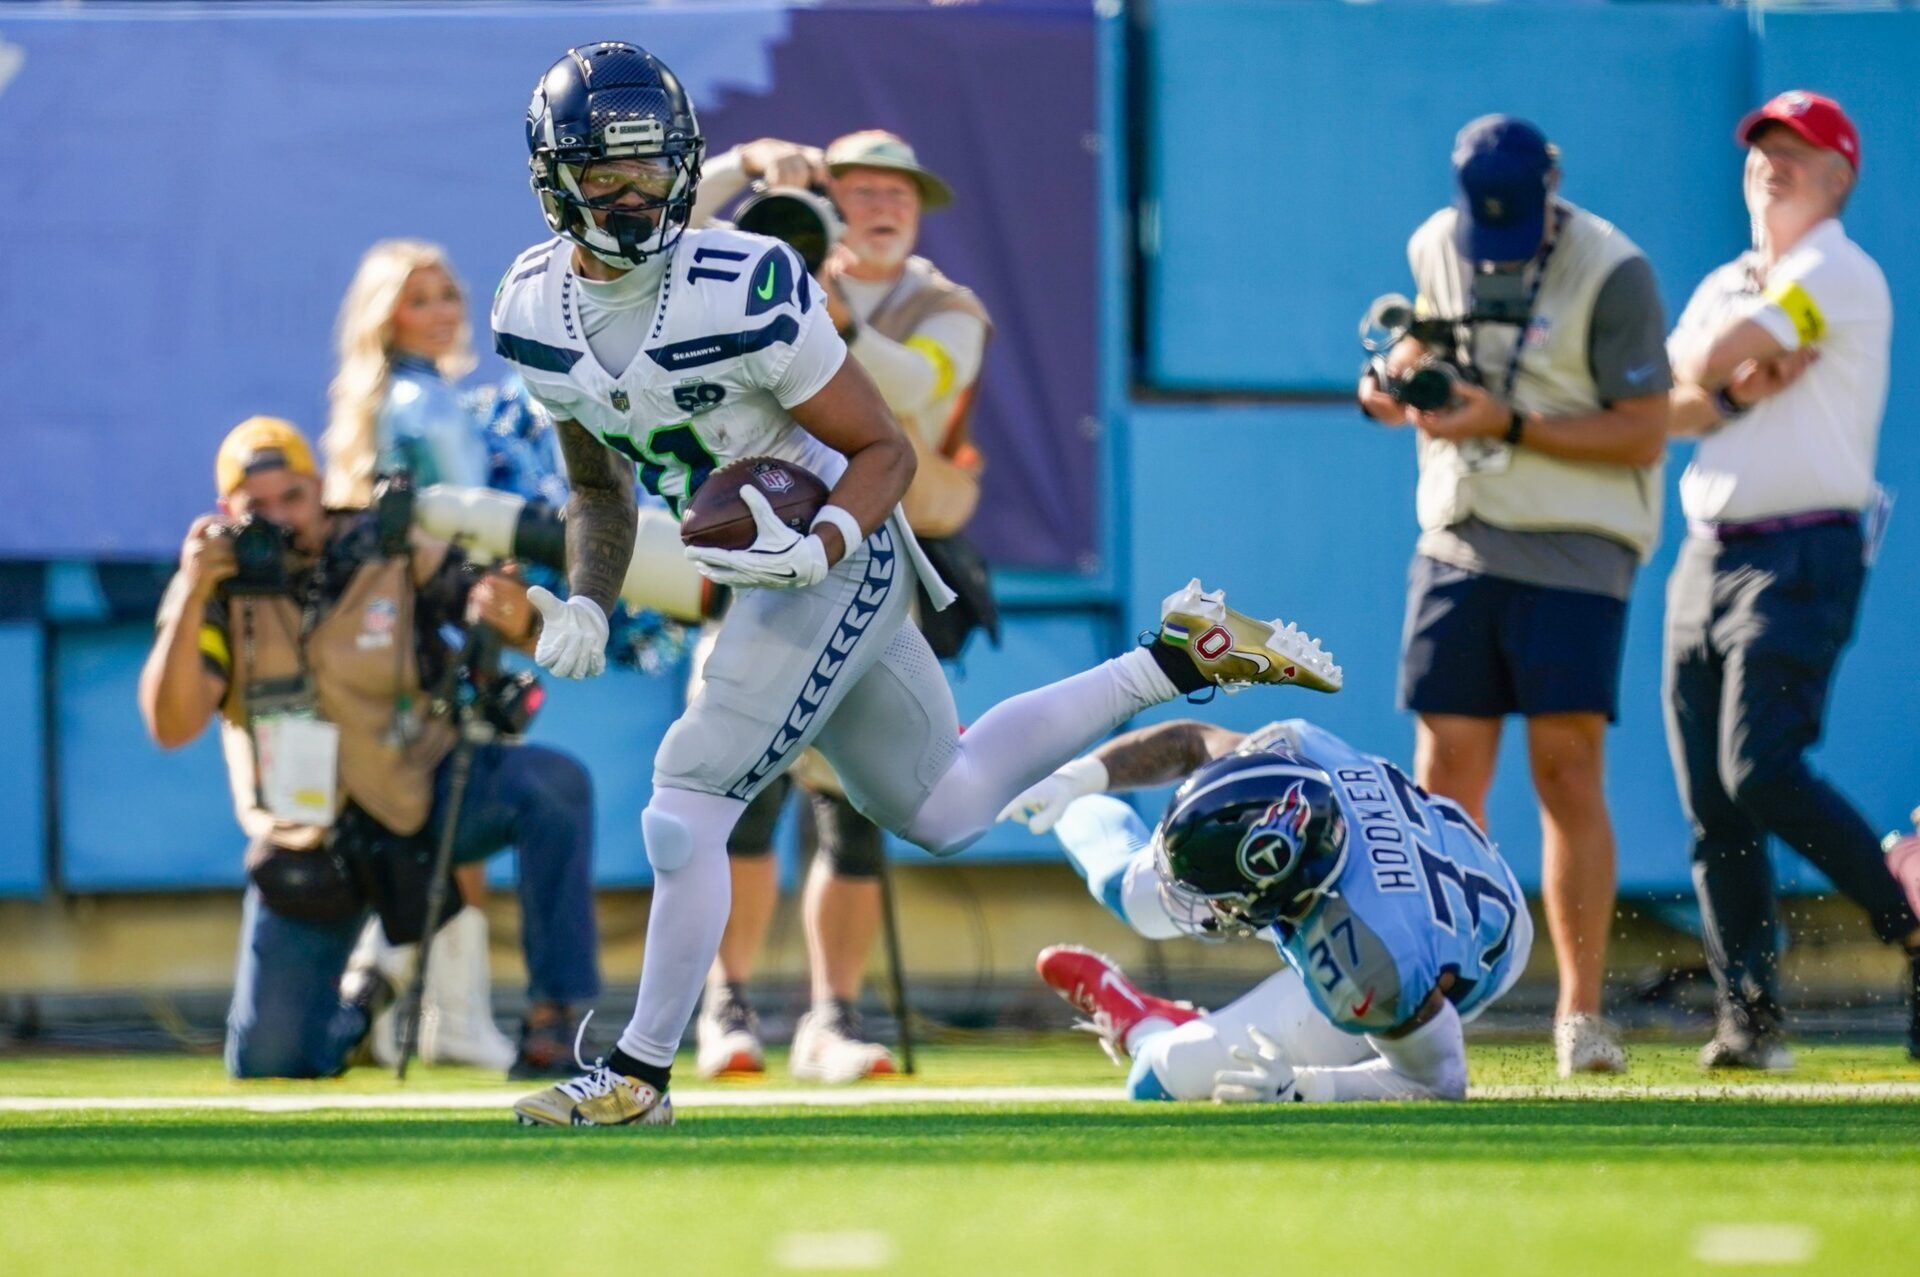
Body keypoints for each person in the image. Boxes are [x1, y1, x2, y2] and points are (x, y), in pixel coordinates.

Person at [493, 41, 1340, 1127]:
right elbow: (599, 490)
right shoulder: (531, 310)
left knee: (686, 795)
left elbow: (884, 448)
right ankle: (1174, 656)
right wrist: (588, 598)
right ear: (555, 181)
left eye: (656, 168)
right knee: (941, 805)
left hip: (831, 548)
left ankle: (640, 1074)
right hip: (760, 566)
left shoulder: (741, 281)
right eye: (608, 175)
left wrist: (823, 543)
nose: (635, 193)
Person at [138, 417, 600, 1079]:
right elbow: (170, 724)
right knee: (271, 1064)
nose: (280, 519)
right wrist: (189, 591)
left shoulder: (388, 544)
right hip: (311, 840)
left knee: (554, 782)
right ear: (225, 514)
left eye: (291, 497)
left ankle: (556, 1016)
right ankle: (362, 1001)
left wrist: (515, 612)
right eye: (256, 508)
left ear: (319, 488)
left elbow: (504, 614)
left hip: (421, 792)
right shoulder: (217, 588)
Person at [1356, 115, 1671, 1075]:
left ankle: (1580, 1014)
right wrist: (1394, 388)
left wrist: (1513, 424)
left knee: (1566, 769)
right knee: (1443, 775)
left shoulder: (1615, 269)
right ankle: (1438, 1002)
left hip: (1579, 543)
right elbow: (1422, 358)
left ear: (1555, 188)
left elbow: (1644, 431)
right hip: (1457, 531)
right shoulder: (1432, 243)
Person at [687, 130, 994, 1084]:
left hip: (887, 563)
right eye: (856, 188)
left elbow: (911, 391)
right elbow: (667, 233)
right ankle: (725, 1007)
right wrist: (746, 170)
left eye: (899, 191)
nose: (881, 205)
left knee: (856, 802)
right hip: (760, 546)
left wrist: (820, 312)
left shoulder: (947, 307)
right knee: (739, 787)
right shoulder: (756, 269)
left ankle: (832, 1015)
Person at [1662, 90, 1920, 1068]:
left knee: (1760, 768)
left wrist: (1721, 368)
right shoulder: (1734, 277)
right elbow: (1672, 386)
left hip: (1801, 550)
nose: (1773, 161)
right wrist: (1729, 376)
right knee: (1712, 803)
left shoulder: (1838, 271)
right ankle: (1752, 1021)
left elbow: (1708, 359)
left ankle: (1909, 922)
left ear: (1840, 175)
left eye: (1797, 150)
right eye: (1762, 147)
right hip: (1707, 547)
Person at [1000, 716, 1532, 1103]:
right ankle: (1030, 783)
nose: (1205, 907)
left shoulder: (1370, 959)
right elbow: (1191, 742)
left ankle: (1148, 1027)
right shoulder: (1298, 758)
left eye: (1222, 896)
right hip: (1407, 875)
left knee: (1160, 1080)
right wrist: (1077, 778)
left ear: (1280, 892)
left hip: (1461, 948)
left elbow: (1436, 1084)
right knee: (1131, 888)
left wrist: (1306, 1087)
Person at [318, 238, 528, 1069]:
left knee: (426, 813)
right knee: (459, 816)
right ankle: (444, 1013)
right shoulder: (425, 404)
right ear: (386, 317)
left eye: (449, 294)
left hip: (399, 637)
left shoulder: (388, 401)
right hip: (449, 629)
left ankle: (382, 997)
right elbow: (465, 525)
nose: (443, 311)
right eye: (420, 299)